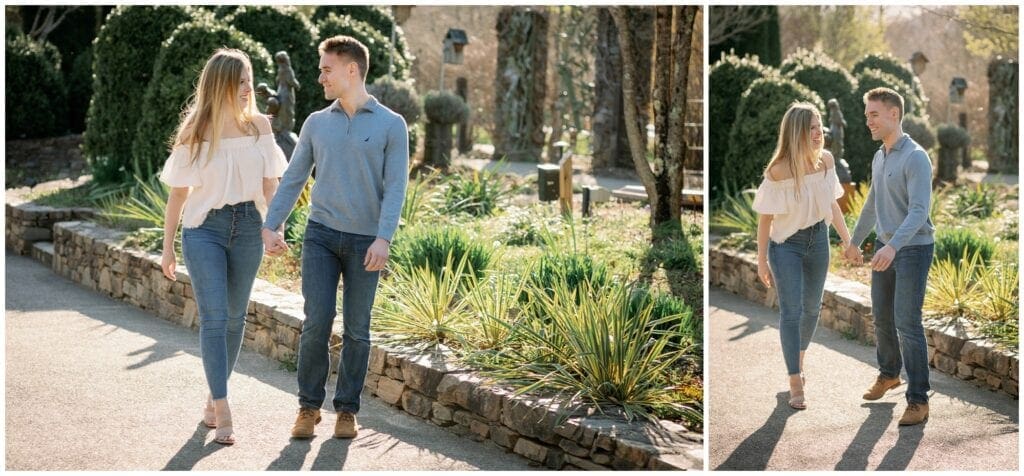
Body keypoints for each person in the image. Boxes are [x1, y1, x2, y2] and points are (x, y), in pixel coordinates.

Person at [261, 35, 409, 439]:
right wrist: (271, 224)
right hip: (321, 237)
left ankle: (347, 411)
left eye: (326, 68)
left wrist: (384, 237)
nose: (319, 76)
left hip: (366, 243)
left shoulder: (391, 125)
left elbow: (396, 187)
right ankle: (308, 408)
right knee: (316, 323)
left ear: (351, 70)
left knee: (358, 330)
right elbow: (293, 178)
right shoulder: (316, 123)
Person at [159, 48, 289, 445]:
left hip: (249, 226)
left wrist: (276, 227)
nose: (248, 88)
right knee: (215, 319)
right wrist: (167, 249)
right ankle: (225, 403)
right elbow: (179, 196)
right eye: (240, 82)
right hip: (204, 230)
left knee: (235, 319)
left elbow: (271, 184)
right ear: (220, 86)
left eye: (249, 79)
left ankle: (213, 396)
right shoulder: (195, 132)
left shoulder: (261, 128)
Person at [753, 102, 855, 410]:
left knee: (813, 309)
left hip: (818, 240)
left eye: (819, 126)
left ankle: (797, 357)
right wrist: (761, 260)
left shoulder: (826, 161)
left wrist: (848, 241)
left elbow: (833, 204)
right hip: (786, 245)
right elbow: (765, 220)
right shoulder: (778, 171)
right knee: (792, 312)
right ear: (797, 131)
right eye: (811, 128)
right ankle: (795, 379)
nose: (818, 133)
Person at [845, 87, 934, 426]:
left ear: (893, 114)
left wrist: (893, 245)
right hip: (887, 247)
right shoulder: (880, 155)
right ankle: (888, 374)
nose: (868, 121)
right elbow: (871, 203)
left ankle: (918, 400)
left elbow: (919, 210)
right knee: (882, 317)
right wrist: (855, 240)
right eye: (867, 114)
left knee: (907, 322)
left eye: (873, 114)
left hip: (912, 249)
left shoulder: (916, 157)